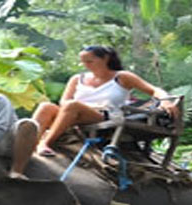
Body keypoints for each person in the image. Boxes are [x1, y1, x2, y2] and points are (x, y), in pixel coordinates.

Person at [33, 45, 180, 156]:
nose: (85, 65)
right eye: (83, 62)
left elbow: (154, 90)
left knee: (73, 105)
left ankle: (45, 143)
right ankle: (31, 141)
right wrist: (70, 110)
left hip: (103, 115)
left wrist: (165, 100)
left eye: (90, 61)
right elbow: (64, 101)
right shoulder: (77, 78)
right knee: (46, 106)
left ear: (105, 59)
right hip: (73, 113)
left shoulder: (122, 77)